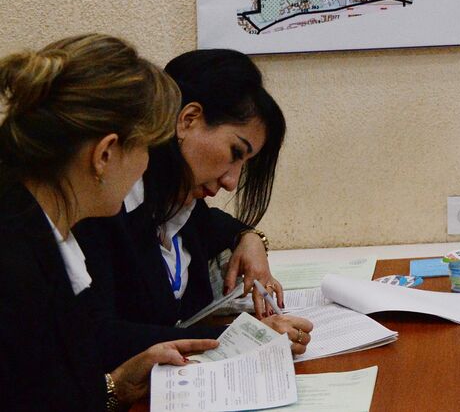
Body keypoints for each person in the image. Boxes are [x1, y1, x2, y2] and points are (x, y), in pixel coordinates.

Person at [0, 34, 219, 411]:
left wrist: (113, 386)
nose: (148, 165)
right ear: (104, 154)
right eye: (147, 148)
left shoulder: (39, 228)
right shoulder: (15, 267)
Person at [77, 49, 313, 367]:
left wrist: (250, 237)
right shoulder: (100, 209)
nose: (232, 182)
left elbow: (217, 224)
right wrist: (238, 337)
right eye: (234, 152)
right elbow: (96, 335)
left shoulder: (183, 203)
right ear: (188, 120)